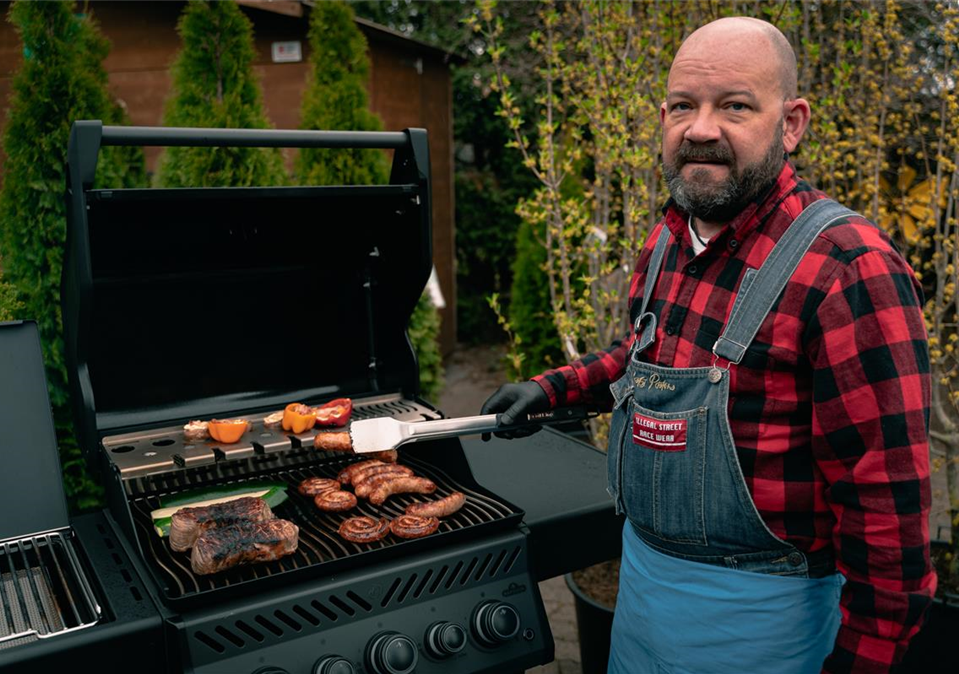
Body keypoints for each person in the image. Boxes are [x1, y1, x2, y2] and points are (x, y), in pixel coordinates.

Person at [481, 16, 935, 674]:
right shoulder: (668, 240)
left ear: (791, 123)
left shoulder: (848, 268)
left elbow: (886, 513)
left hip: (766, 621)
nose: (699, 128)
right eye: (682, 106)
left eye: (734, 106)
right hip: (642, 599)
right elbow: (648, 353)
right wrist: (555, 388)